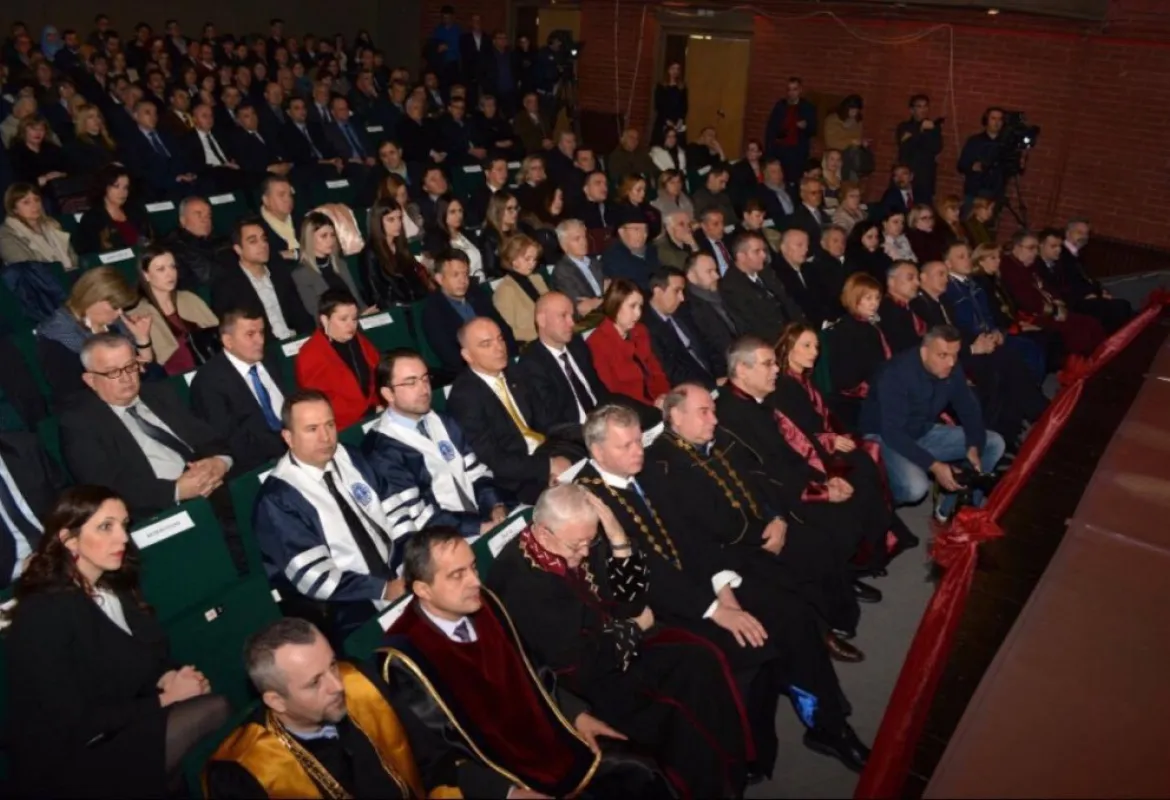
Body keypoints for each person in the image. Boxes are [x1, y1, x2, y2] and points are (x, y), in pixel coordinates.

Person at [574, 404, 871, 772]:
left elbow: (693, 536)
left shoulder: (649, 469)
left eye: (638, 441)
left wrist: (724, 591)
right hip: (656, 611)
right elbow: (638, 581)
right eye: (625, 446)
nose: (638, 451)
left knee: (791, 615)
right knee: (751, 650)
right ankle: (751, 759)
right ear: (597, 452)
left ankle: (829, 725)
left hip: (704, 582)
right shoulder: (586, 502)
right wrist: (717, 610)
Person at [490, 482, 751, 796]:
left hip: (616, 646)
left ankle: (733, 772)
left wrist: (617, 540)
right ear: (543, 534)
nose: (586, 553)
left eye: (591, 540)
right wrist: (634, 628)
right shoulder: (521, 583)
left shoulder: (576, 538)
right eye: (577, 546)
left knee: (701, 660)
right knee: (675, 714)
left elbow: (634, 601)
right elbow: (579, 666)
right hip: (581, 685)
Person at [381, 527, 670, 797]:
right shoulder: (404, 659)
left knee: (642, 771)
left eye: (473, 567)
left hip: (552, 743)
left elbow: (534, 671)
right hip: (501, 776)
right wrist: (507, 792)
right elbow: (437, 758)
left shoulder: (487, 605)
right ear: (422, 590)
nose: (475, 582)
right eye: (457, 575)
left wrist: (576, 715)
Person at [5, 485, 231, 798]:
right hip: (71, 760)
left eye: (124, 525)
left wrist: (169, 677)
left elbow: (146, 656)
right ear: (69, 540)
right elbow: (72, 722)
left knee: (209, 710)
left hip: (120, 726)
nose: (123, 538)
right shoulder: (45, 611)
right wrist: (166, 698)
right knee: (213, 710)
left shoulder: (114, 585)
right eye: (105, 527)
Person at [206, 617, 467, 797]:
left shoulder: (361, 683)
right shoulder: (243, 772)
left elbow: (435, 762)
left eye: (331, 665)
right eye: (314, 682)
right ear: (276, 701)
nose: (336, 686)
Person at [719, 335, 900, 587]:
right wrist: (822, 491)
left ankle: (852, 570)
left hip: (794, 480)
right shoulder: (732, 415)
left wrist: (826, 477)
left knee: (859, 482)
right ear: (742, 370)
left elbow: (793, 448)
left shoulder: (759, 402)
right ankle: (843, 579)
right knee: (841, 522)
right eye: (768, 364)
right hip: (777, 499)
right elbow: (767, 473)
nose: (776, 369)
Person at [255, 390, 410, 639]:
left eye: (329, 425)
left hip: (395, 570)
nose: (325, 437)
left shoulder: (351, 456)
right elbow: (313, 577)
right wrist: (383, 589)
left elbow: (395, 510)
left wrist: (408, 560)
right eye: (312, 429)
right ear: (288, 438)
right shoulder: (279, 498)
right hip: (345, 604)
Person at [60, 333, 237, 526]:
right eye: (113, 372)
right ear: (91, 380)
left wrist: (219, 463)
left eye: (130, 366)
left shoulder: (159, 393)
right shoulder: (80, 424)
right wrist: (176, 490)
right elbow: (105, 489)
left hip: (214, 488)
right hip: (161, 516)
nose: (126, 378)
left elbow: (209, 438)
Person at [861, 325, 1006, 520]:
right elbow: (893, 432)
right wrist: (935, 465)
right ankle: (878, 503)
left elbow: (968, 406)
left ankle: (957, 511)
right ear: (924, 351)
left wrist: (974, 443)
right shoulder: (895, 374)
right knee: (915, 488)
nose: (951, 362)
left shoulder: (951, 367)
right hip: (884, 438)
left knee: (993, 442)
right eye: (943, 355)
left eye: (954, 355)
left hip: (922, 430)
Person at [363, 349, 507, 540]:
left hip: (483, 521)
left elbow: (476, 472)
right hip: (443, 541)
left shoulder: (442, 420)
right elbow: (418, 516)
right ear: (388, 393)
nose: (424, 389)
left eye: (424, 378)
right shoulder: (381, 449)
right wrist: (478, 527)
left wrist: (494, 505)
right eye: (411, 382)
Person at [446, 316, 581, 504]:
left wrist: (585, 433)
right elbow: (494, 460)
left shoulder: (514, 372)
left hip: (547, 450)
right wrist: (547, 467)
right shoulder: (464, 398)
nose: (499, 348)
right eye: (486, 344)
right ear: (468, 356)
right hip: (516, 477)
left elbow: (546, 420)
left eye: (500, 339)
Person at [922, 255, 1046, 446]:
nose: (945, 279)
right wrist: (972, 349)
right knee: (996, 367)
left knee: (1007, 356)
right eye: (940, 274)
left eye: (946, 275)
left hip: (959, 352)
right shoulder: (921, 305)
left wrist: (982, 340)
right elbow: (934, 343)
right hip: (946, 360)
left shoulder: (942, 301)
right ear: (924, 278)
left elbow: (958, 331)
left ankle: (1019, 422)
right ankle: (1015, 425)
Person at [190, 307, 290, 475]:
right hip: (258, 464)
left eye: (261, 332)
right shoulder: (208, 382)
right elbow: (228, 441)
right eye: (250, 334)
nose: (260, 340)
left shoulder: (270, 359)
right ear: (228, 341)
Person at [35, 265, 156, 404]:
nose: (120, 313)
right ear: (93, 299)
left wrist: (142, 338)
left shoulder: (116, 324)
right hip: (94, 407)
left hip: (133, 397)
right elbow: (70, 392)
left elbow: (149, 372)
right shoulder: (57, 336)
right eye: (115, 307)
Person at [999, 230, 1105, 356]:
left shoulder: (1030, 267)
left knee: (1090, 323)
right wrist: (1055, 310)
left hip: (1049, 312)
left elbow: (1047, 287)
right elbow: (1025, 300)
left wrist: (1058, 302)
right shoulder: (1009, 268)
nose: (1034, 253)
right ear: (1016, 247)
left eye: (1036, 249)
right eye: (1030, 248)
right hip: (1032, 316)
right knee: (1078, 330)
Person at [211, 216, 314, 342]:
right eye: (253, 241)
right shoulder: (227, 286)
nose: (263, 245)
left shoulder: (279, 272)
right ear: (238, 249)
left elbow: (300, 314)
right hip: (264, 348)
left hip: (296, 339)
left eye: (264, 239)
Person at [421, 249, 517, 379]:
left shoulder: (477, 294)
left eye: (465, 274)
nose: (463, 281)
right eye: (455, 275)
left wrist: (510, 360)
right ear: (439, 279)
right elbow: (450, 356)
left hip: (501, 362)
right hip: (468, 374)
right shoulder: (433, 310)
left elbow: (504, 330)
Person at [295, 290, 381, 431]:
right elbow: (322, 403)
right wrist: (368, 413)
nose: (351, 325)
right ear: (325, 320)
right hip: (344, 427)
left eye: (354, 319)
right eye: (343, 319)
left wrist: (380, 403)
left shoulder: (359, 340)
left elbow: (377, 373)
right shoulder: (310, 355)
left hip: (374, 414)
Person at [127, 245, 219, 375]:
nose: (170, 274)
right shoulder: (139, 315)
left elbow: (218, 334)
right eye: (161, 269)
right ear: (146, 275)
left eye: (172, 267)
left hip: (212, 367)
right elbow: (148, 366)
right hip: (176, 378)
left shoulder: (189, 298)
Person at [587, 279, 671, 411]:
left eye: (640, 307)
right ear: (615, 305)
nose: (638, 313)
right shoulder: (597, 343)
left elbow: (656, 371)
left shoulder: (640, 330)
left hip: (657, 403)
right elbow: (613, 393)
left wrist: (664, 395)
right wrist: (652, 408)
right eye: (632, 306)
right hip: (631, 411)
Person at [0, 431, 66, 589]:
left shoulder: (23, 445)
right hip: (16, 575)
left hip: (62, 544)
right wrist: (21, 568)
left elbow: (65, 494)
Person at [827, 273, 890, 430]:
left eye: (877, 298)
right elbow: (848, 379)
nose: (874, 303)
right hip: (857, 401)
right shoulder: (844, 330)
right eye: (868, 298)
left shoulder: (871, 326)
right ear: (855, 298)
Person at [1041, 225, 1131, 334]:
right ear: (1041, 246)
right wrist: (1084, 296)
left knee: (1122, 309)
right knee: (1117, 309)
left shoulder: (1059, 264)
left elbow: (1081, 281)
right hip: (1067, 304)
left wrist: (1098, 293)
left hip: (1071, 301)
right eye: (1053, 246)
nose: (1058, 250)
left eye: (1059, 246)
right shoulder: (1045, 264)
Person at [720, 230, 803, 344]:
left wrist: (802, 328)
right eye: (757, 251)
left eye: (764, 250)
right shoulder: (732, 286)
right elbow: (753, 326)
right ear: (741, 256)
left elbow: (787, 301)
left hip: (791, 333)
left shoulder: (766, 272)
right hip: (773, 343)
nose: (764, 255)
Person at [642, 268, 718, 390]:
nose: (682, 298)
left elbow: (707, 344)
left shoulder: (683, 312)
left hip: (713, 376)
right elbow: (672, 372)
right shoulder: (646, 328)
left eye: (682, 291)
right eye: (676, 291)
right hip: (694, 388)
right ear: (658, 291)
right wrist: (711, 385)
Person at [292, 211, 371, 320]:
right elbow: (316, 313)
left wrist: (367, 313)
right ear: (310, 239)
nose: (330, 240)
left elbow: (358, 300)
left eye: (332, 235)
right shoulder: (302, 274)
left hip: (358, 319)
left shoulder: (340, 265)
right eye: (324, 236)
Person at [361, 201, 431, 309]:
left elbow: (415, 282)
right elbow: (375, 293)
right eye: (391, 219)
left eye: (399, 218)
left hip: (415, 302)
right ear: (378, 222)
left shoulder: (401, 246)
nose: (397, 224)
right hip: (395, 308)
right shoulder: (370, 253)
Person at [76, 165, 154, 253]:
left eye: (125, 187)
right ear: (104, 187)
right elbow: (90, 254)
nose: (122, 192)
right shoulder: (92, 219)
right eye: (116, 186)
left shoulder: (135, 211)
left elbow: (149, 240)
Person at [0, 182, 76, 268]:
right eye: (26, 202)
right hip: (40, 280)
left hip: (70, 275)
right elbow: (25, 269)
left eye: (37, 200)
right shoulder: (6, 234)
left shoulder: (52, 225)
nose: (35, 205)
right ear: (14, 209)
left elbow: (73, 258)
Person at [773, 228, 837, 328]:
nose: (806, 249)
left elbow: (826, 296)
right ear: (783, 247)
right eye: (799, 245)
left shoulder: (810, 269)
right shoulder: (775, 274)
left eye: (807, 245)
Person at [491, 233, 549, 344]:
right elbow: (508, 330)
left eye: (534, 259)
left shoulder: (537, 279)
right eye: (528, 259)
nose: (532, 263)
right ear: (513, 260)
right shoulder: (505, 290)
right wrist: (540, 334)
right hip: (530, 343)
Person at [163, 195, 228, 289]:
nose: (205, 219)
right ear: (183, 220)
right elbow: (208, 276)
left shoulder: (218, 239)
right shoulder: (175, 246)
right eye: (198, 214)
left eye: (208, 215)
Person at [764, 77, 817, 189]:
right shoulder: (780, 106)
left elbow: (814, 130)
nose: (791, 93)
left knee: (793, 182)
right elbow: (770, 130)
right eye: (789, 89)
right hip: (780, 149)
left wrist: (805, 126)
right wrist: (769, 151)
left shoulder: (807, 107)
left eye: (795, 89)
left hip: (797, 152)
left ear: (800, 90)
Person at [424, 195, 487, 285]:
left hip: (482, 281)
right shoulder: (436, 241)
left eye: (460, 211)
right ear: (442, 213)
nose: (459, 215)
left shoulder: (467, 234)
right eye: (452, 212)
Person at [549, 218, 606, 318]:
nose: (583, 242)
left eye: (584, 237)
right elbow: (582, 308)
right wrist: (607, 299)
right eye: (577, 239)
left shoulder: (594, 262)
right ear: (564, 245)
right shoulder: (562, 272)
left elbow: (611, 288)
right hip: (587, 323)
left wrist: (597, 301)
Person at [896, 94, 943, 205]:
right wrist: (920, 129)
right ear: (912, 110)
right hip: (907, 175)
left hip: (925, 178)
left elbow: (937, 148)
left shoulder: (933, 128)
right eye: (919, 106)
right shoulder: (904, 126)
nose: (923, 110)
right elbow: (904, 144)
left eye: (925, 106)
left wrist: (931, 131)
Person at [957, 107, 1007, 211]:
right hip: (974, 191)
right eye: (993, 118)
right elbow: (961, 165)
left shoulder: (1006, 145)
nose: (997, 122)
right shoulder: (975, 141)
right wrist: (972, 166)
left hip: (995, 191)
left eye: (1000, 119)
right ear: (986, 120)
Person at [601, 205, 659, 291]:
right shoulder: (613, 258)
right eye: (636, 229)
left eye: (645, 230)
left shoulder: (652, 251)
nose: (643, 234)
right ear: (621, 232)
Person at [822, 95, 870, 182]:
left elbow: (857, 138)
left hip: (851, 155)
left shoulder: (857, 121)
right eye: (852, 109)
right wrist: (851, 141)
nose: (854, 112)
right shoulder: (832, 120)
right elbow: (831, 142)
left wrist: (861, 143)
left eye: (856, 110)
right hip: (835, 153)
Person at [65, 103, 119, 175]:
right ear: (83, 121)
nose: (96, 120)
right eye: (91, 117)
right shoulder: (78, 144)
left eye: (98, 116)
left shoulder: (107, 138)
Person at [478, 190, 521, 279]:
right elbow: (491, 269)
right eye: (509, 209)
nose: (515, 213)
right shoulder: (489, 236)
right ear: (498, 211)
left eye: (516, 208)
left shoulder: (519, 231)